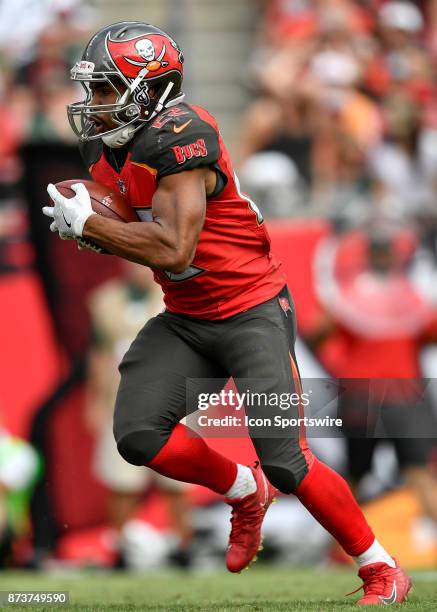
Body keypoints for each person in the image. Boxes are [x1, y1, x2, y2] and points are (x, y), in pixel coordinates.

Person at [42, 21, 411, 604]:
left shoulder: (182, 134)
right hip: (187, 316)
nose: (96, 105)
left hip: (250, 311)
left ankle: (380, 566)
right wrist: (102, 221)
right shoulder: (108, 144)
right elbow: (140, 226)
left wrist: (92, 226)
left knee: (288, 461)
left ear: (149, 90)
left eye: (109, 90)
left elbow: (173, 247)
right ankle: (243, 491)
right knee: (139, 435)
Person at [86, 261, 192, 567]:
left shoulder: (172, 295)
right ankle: (119, 549)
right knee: (122, 481)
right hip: (120, 399)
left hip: (171, 397)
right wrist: (93, 400)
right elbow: (98, 352)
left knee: (179, 480)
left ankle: (184, 546)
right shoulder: (104, 300)